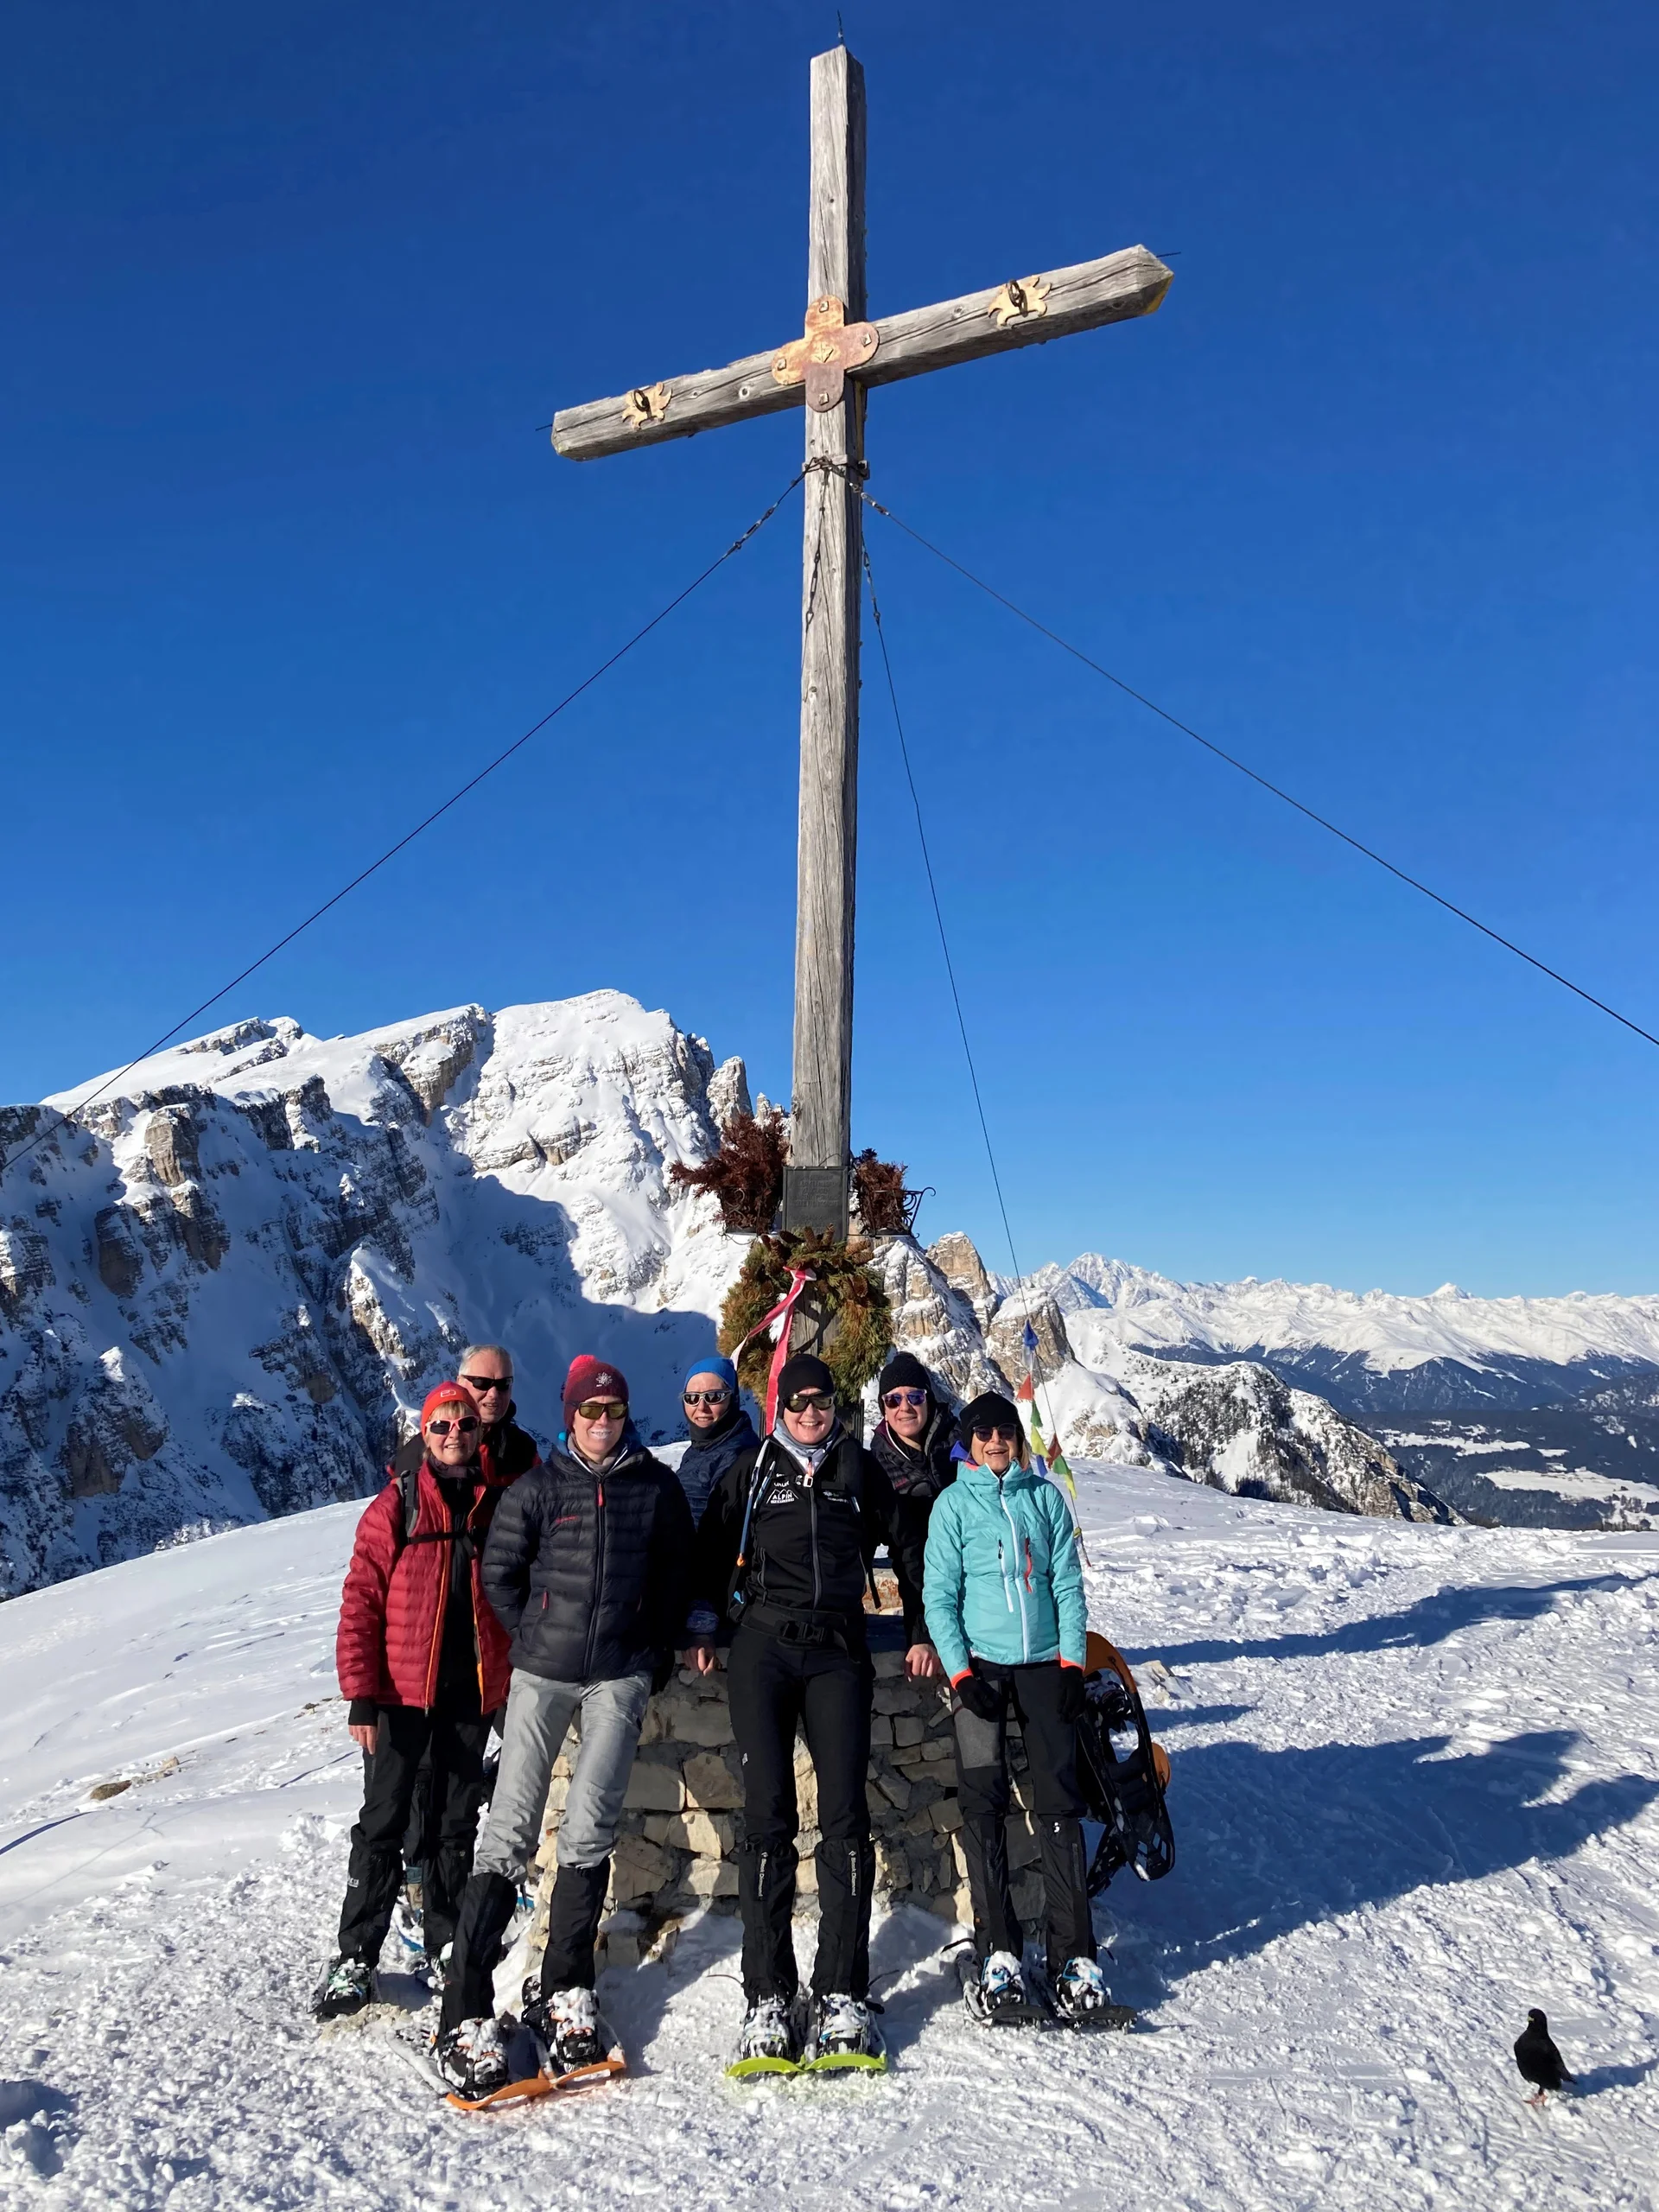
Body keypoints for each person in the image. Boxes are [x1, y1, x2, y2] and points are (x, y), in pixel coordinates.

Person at [435, 1356, 695, 2097]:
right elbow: (500, 1573)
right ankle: (464, 2010)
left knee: (590, 1830)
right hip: (542, 1675)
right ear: (570, 1414)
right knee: (509, 1830)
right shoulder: (538, 1488)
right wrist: (534, 1632)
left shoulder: (654, 1488)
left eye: (612, 1410)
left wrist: (651, 1649)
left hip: (618, 1674)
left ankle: (565, 1991)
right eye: (590, 1410)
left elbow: (676, 1573)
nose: (601, 1421)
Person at [688, 1351, 931, 2069]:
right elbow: (709, 1549)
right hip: (762, 1649)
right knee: (767, 1821)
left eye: (822, 1402)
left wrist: (920, 1627)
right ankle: (767, 1994)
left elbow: (909, 1546)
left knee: (846, 1819)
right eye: (798, 1403)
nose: (811, 1414)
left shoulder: (858, 1469)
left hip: (837, 1652)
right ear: (780, 1408)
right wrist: (701, 1624)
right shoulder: (756, 1469)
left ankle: (840, 1992)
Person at [313, 1382, 514, 2019]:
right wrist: (359, 1696)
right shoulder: (395, 1505)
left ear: (478, 1434)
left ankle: (445, 1938)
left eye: (465, 1425)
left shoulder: (494, 1505)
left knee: (455, 1821)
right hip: (398, 1697)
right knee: (383, 1822)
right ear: (423, 1435)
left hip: (468, 1694)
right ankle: (356, 1955)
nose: (455, 1435)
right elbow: (361, 1602)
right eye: (441, 1426)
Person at [922, 1390, 1111, 2024]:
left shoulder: (1045, 1498)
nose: (996, 1441)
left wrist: (1071, 1663)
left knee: (1060, 1803)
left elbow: (1067, 1584)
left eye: (1005, 1430)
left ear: (1017, 1438)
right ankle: (999, 1950)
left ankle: (1073, 1956)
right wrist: (960, 1672)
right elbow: (939, 1595)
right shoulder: (953, 1506)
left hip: (1044, 1667)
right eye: (983, 1433)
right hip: (981, 1669)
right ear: (968, 1442)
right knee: (984, 1803)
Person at [391, 1343, 540, 1953]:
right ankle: (422, 1882)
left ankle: (470, 1881)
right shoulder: (423, 1450)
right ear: (459, 1382)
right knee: (428, 1772)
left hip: (494, 1638)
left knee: (493, 1760)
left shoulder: (521, 1453)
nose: (491, 1395)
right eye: (481, 1383)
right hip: (431, 1643)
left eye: (502, 1385)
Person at [675, 1355, 759, 1528]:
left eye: (714, 1397)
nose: (701, 1407)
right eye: (692, 1398)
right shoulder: (702, 1448)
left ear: (733, 1399)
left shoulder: (740, 1455)